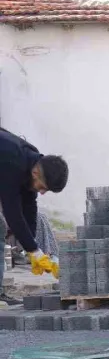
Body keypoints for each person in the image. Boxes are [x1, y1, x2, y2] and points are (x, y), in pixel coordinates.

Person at [0, 128, 68, 304]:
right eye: (43, 187)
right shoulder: (12, 160)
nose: (42, 192)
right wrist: (33, 250)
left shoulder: (32, 160)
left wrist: (33, 247)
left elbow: (29, 205)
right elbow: (12, 211)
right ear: (36, 173)